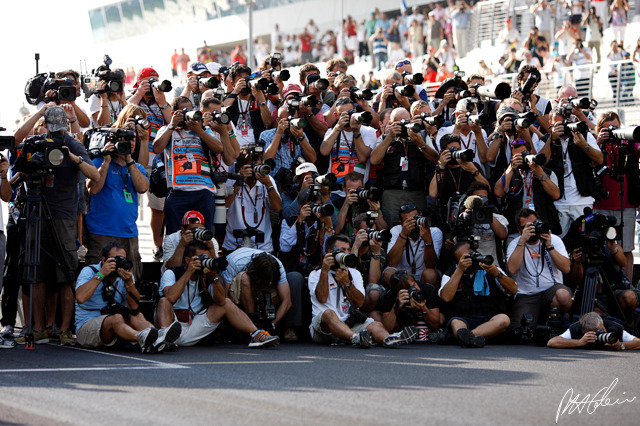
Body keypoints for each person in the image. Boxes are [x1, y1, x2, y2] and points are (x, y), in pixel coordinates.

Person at [13, 105, 99, 346]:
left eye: (60, 130)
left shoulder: (72, 145)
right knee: (36, 272)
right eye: (53, 130)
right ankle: (38, 327)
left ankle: (63, 329)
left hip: (63, 215)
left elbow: (96, 175)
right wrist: (39, 114)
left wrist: (73, 158)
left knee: (65, 273)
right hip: (36, 211)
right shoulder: (36, 142)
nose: (56, 136)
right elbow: (17, 144)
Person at [156, 241, 279, 348]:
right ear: (188, 260)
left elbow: (221, 301)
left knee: (226, 303)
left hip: (195, 324)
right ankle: (164, 339)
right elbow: (170, 297)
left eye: (207, 259)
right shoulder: (172, 273)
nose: (204, 262)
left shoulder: (206, 276)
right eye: (200, 258)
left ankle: (257, 335)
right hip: (173, 324)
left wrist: (214, 277)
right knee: (164, 301)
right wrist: (189, 272)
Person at [308, 234, 418, 348]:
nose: (346, 253)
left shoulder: (354, 273)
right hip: (324, 330)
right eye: (342, 250)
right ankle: (356, 338)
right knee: (329, 313)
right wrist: (325, 271)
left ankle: (389, 339)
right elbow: (322, 298)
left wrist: (347, 283)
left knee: (375, 324)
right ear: (330, 252)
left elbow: (360, 303)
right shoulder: (316, 274)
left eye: (348, 250)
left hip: (349, 324)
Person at [75, 242, 179, 352]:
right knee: (116, 318)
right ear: (104, 260)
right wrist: (101, 274)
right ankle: (143, 337)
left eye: (122, 259)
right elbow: (80, 298)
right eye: (115, 259)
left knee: (136, 316)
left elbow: (134, 308)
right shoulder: (89, 271)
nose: (118, 263)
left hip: (116, 326)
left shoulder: (124, 275)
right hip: (87, 328)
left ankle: (158, 337)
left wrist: (129, 282)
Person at [85, 116, 149, 281]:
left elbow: (142, 187)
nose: (130, 143)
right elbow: (93, 189)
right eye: (124, 140)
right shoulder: (99, 161)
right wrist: (106, 161)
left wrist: (128, 160)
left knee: (129, 279)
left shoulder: (136, 167)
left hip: (128, 233)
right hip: (102, 232)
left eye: (132, 140)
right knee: (97, 279)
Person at [153, 96, 223, 235]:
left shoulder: (204, 130)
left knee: (204, 236)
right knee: (174, 238)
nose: (187, 114)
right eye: (182, 111)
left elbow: (219, 148)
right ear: (174, 114)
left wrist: (200, 131)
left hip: (203, 190)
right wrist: (172, 126)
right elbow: (157, 148)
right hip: (177, 192)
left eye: (189, 110)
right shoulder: (166, 130)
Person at [128, 67, 172, 261]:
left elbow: (172, 122)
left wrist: (161, 101)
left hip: (158, 160)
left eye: (155, 80)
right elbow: (124, 113)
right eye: (149, 81)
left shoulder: (161, 100)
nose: (153, 85)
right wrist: (139, 93)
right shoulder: (133, 98)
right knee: (131, 206)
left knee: (158, 207)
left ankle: (157, 245)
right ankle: (131, 244)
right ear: (139, 82)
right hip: (135, 159)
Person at [440, 241, 517, 347]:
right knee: (455, 323)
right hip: (464, 318)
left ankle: (466, 337)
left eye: (472, 255)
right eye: (465, 258)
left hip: (490, 319)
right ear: (457, 261)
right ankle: (474, 338)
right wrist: (459, 270)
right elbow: (446, 297)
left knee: (503, 319)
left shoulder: (490, 268)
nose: (470, 260)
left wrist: (496, 273)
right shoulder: (451, 273)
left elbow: (513, 289)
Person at [219, 247, 303, 341]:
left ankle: (264, 324)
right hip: (239, 290)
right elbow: (224, 297)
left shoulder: (277, 265)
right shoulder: (235, 262)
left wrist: (272, 324)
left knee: (286, 285)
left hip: (259, 287)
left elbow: (287, 301)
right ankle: (252, 324)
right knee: (244, 278)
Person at [592, 111, 639, 281]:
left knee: (626, 249)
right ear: (599, 130)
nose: (612, 132)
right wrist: (598, 142)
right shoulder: (593, 143)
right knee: (603, 249)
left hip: (626, 203)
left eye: (615, 128)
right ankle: (604, 288)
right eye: (607, 129)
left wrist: (635, 136)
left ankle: (629, 287)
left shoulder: (627, 142)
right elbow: (588, 162)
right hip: (601, 206)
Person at [506, 208, 572, 328]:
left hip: (551, 290)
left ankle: (559, 316)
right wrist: (522, 241)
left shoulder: (554, 240)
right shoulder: (515, 244)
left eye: (534, 224)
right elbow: (512, 269)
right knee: (520, 330)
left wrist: (549, 247)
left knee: (564, 296)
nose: (532, 229)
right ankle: (540, 319)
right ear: (519, 230)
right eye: (527, 227)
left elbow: (566, 268)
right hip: (527, 295)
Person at [223, 145, 281, 252]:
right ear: (241, 166)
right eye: (251, 166)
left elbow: (277, 208)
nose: (255, 170)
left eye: (258, 166)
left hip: (263, 246)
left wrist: (268, 184)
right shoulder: (232, 180)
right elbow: (224, 205)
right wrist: (239, 182)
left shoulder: (268, 180)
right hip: (234, 245)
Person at [387, 204, 443, 285]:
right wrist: (403, 235)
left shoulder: (434, 232)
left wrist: (428, 241)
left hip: (423, 275)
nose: (414, 223)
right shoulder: (396, 230)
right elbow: (392, 263)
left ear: (420, 216)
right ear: (401, 224)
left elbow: (431, 265)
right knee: (389, 272)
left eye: (415, 218)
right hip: (402, 276)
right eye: (408, 221)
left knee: (430, 274)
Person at [548, 312, 640, 350]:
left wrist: (621, 345)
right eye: (593, 333)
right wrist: (579, 342)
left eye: (601, 330)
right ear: (584, 332)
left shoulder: (614, 328)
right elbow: (551, 342)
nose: (599, 334)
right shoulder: (577, 328)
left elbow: (638, 342)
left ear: (603, 325)